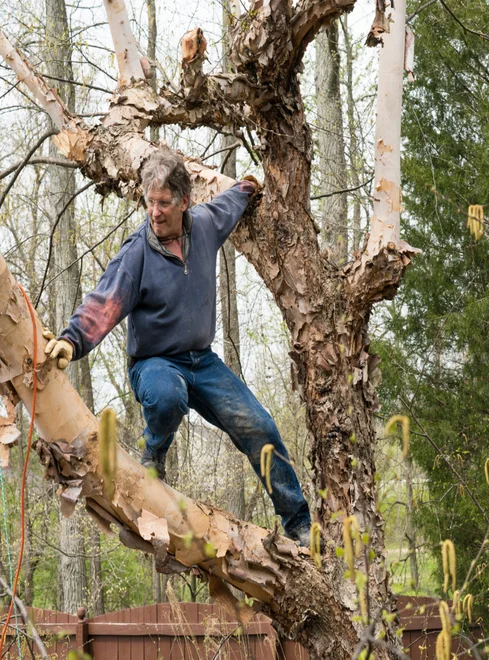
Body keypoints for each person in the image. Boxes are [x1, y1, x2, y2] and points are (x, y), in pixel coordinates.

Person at [44, 149, 311, 546]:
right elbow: (105, 302)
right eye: (149, 202)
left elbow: (229, 204)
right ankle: (154, 452)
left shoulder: (204, 225)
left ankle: (300, 526)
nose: (155, 212)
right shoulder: (137, 252)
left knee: (261, 427)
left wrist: (248, 188)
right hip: (153, 364)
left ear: (185, 202)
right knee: (169, 397)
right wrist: (71, 340)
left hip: (202, 362)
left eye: (164, 203)